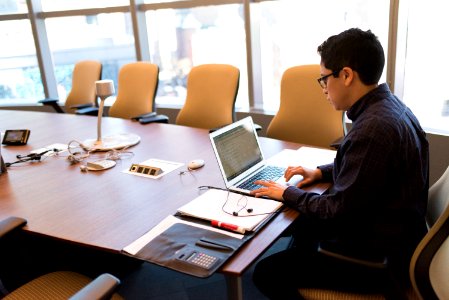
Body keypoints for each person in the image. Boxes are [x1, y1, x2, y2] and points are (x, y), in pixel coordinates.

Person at [250, 28, 429, 299]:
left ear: (346, 75)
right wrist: (320, 171)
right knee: (302, 225)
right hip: (396, 237)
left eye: (324, 79)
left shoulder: (373, 129)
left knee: (266, 272)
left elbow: (336, 210)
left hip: (379, 261)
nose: (323, 89)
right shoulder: (390, 109)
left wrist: (287, 192)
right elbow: (369, 170)